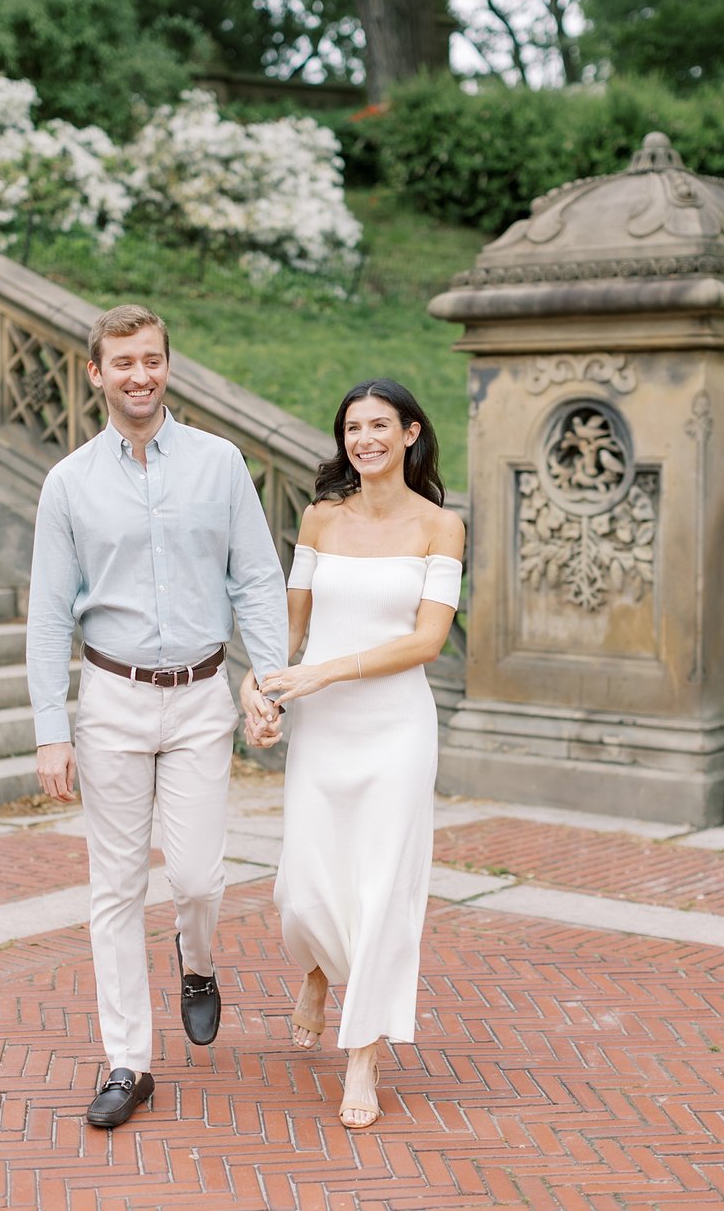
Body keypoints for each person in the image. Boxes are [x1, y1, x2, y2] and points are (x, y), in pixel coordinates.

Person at [27, 303, 286, 1130]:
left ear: (168, 366)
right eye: (123, 362)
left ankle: (198, 959)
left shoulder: (220, 463)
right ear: (96, 373)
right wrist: (50, 728)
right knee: (115, 886)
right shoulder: (69, 483)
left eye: (153, 360)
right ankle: (128, 1061)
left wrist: (270, 684)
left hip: (202, 696)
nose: (140, 375)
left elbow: (256, 578)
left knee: (201, 878)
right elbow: (47, 616)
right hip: (111, 699)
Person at [242, 378, 464, 1130]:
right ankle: (314, 968)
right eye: (352, 427)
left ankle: (362, 1054)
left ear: (410, 433)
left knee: (381, 892)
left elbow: (426, 642)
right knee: (300, 887)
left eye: (379, 425)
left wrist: (320, 673)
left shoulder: (442, 526)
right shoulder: (319, 519)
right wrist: (262, 685)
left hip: (396, 731)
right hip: (323, 727)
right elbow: (287, 630)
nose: (364, 438)